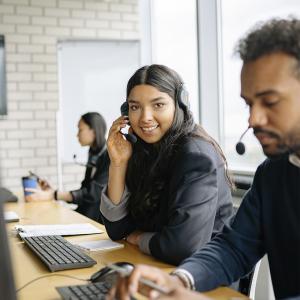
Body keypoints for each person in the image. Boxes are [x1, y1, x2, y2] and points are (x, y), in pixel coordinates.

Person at [109, 18, 300, 300]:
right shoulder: (274, 173)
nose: (253, 119)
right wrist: (180, 280)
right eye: (248, 103)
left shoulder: (196, 153)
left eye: (269, 102)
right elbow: (233, 247)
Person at [100, 64, 233, 265]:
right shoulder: (144, 150)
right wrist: (118, 163)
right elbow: (117, 230)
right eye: (135, 107)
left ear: (179, 104)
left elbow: (182, 247)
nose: (145, 117)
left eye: (158, 105)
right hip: (158, 266)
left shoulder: (196, 156)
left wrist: (139, 238)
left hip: (202, 279)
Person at [26, 112, 109, 222]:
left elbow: (93, 193)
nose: (77, 135)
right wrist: (54, 192)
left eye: (80, 130)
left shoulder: (110, 155)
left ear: (93, 131)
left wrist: (54, 195)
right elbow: (85, 189)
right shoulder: (93, 152)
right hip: (87, 213)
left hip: (99, 219)